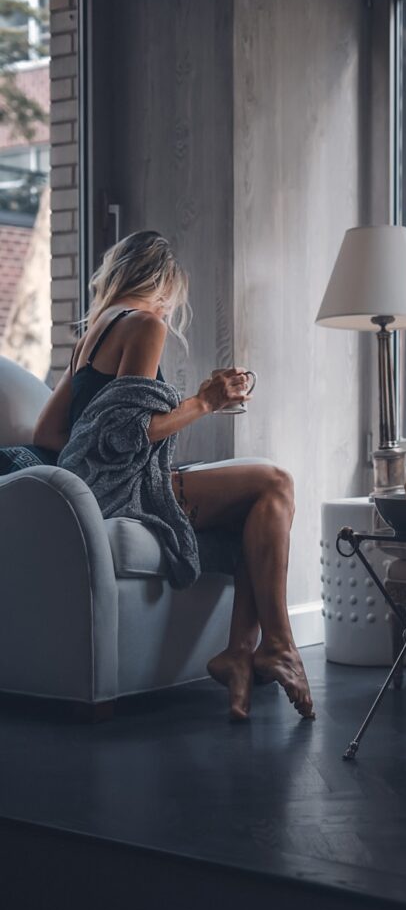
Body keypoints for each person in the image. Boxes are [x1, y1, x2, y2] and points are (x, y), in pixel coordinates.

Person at [32, 230, 314, 722]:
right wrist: (207, 401)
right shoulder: (144, 323)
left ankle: (243, 655)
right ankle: (278, 647)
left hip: (93, 487)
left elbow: (50, 433)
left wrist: (95, 455)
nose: (169, 309)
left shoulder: (90, 337)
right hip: (121, 492)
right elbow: (129, 433)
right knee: (276, 484)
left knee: (260, 506)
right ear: (162, 282)